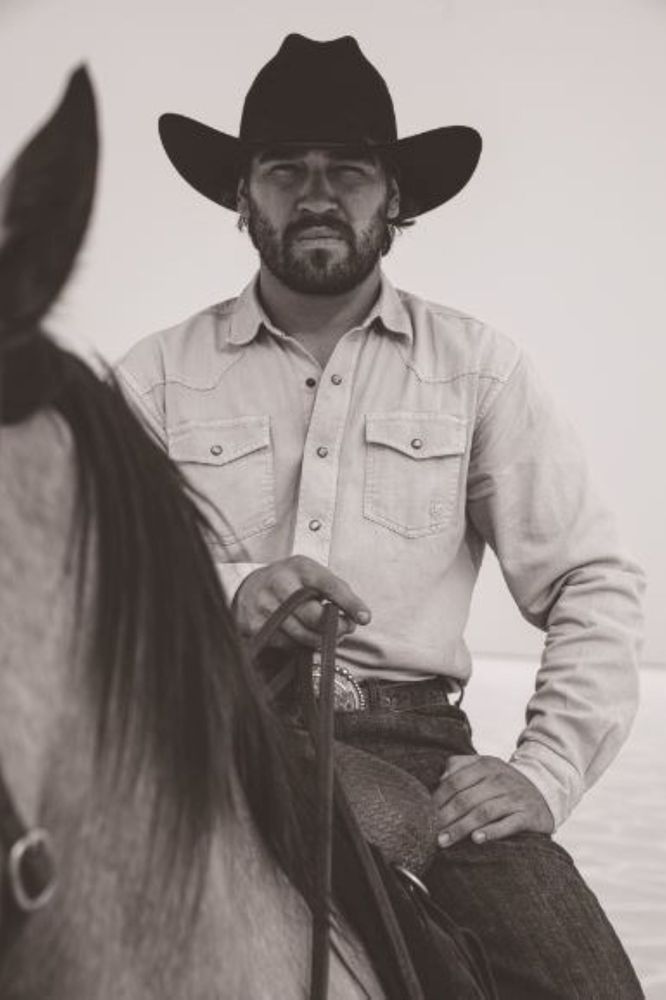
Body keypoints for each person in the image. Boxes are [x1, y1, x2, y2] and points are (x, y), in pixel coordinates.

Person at [117, 34, 645, 999]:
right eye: (286, 170)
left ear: (393, 196)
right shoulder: (153, 378)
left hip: (417, 749)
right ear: (243, 196)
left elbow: (593, 583)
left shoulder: (478, 369)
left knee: (589, 985)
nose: (317, 195)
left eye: (350, 171)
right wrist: (232, 595)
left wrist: (544, 774)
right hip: (202, 730)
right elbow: (92, 589)